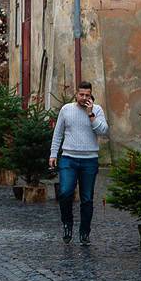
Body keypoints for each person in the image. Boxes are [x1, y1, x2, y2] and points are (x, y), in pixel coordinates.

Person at [49, 81, 109, 246]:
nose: (84, 98)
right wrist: (53, 154)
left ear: (91, 95)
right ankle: (67, 224)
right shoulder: (66, 110)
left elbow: (103, 131)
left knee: (87, 198)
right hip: (69, 157)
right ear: (76, 94)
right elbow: (58, 133)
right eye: (81, 95)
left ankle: (85, 232)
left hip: (90, 159)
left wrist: (91, 116)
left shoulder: (97, 110)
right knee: (65, 192)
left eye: (87, 95)